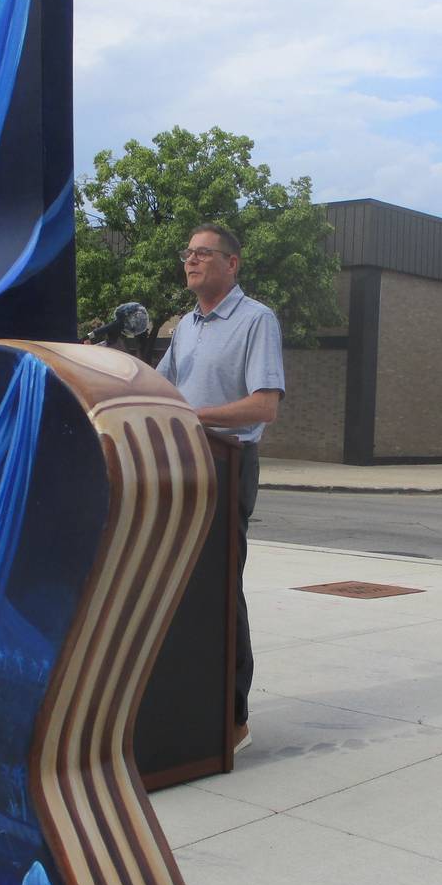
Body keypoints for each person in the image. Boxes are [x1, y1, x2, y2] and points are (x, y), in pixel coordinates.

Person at [156, 222, 284, 755]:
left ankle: (234, 719)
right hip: (179, 466)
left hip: (227, 466)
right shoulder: (185, 325)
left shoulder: (256, 320)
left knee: (220, 590)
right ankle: (182, 706)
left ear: (233, 264)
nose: (191, 261)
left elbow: (264, 406)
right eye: (188, 254)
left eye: (204, 254)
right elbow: (158, 387)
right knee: (175, 587)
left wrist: (192, 414)